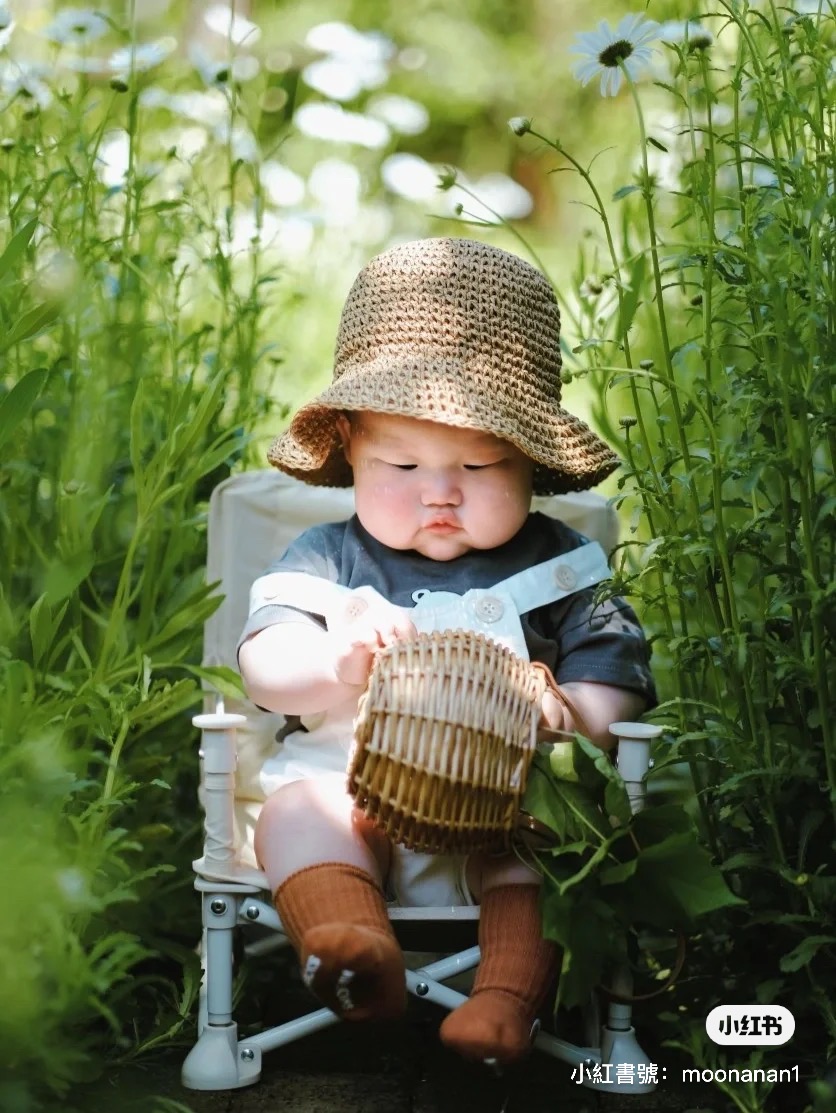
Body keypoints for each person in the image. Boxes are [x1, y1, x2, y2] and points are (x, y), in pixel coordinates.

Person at [237, 237, 656, 1064]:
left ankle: (503, 998)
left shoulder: (563, 567)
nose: (440, 490)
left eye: (479, 462)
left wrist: (569, 713)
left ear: (532, 462)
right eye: (401, 461)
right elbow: (266, 664)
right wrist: (335, 661)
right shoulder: (328, 558)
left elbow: (618, 677)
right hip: (349, 784)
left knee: (553, 849)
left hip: (509, 797)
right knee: (295, 812)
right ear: (350, 446)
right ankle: (353, 944)